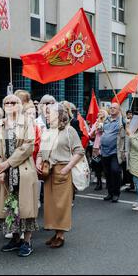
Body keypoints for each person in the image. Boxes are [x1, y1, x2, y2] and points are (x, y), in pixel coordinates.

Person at [0, 95, 38, 257]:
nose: (10, 104)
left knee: (25, 207)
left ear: (19, 105)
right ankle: (16, 238)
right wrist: (0, 168)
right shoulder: (0, 124)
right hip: (5, 173)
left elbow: (28, 146)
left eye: (14, 102)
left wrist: (8, 164)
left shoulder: (27, 122)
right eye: (7, 102)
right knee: (11, 207)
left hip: (22, 171)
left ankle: (27, 241)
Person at [37, 103, 84, 248]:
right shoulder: (47, 131)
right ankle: (56, 232)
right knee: (51, 205)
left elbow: (79, 151)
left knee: (61, 204)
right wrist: (38, 162)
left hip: (62, 170)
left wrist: (68, 168)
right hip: (47, 171)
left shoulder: (70, 131)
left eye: (49, 113)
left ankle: (61, 235)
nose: (46, 115)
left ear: (59, 115)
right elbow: (40, 151)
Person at [100, 102, 126, 203]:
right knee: (107, 173)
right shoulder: (106, 120)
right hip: (104, 152)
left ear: (119, 110)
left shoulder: (121, 121)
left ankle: (116, 193)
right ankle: (110, 193)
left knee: (115, 171)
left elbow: (127, 123)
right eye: (110, 108)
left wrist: (124, 117)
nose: (112, 109)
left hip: (115, 152)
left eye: (114, 108)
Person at [89, 109, 108, 191]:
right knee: (97, 165)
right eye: (99, 112)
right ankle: (99, 182)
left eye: (102, 112)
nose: (100, 114)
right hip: (96, 147)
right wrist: (94, 129)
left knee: (105, 165)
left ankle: (108, 182)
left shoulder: (107, 122)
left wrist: (100, 124)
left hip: (105, 146)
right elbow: (91, 135)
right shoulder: (96, 123)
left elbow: (103, 130)